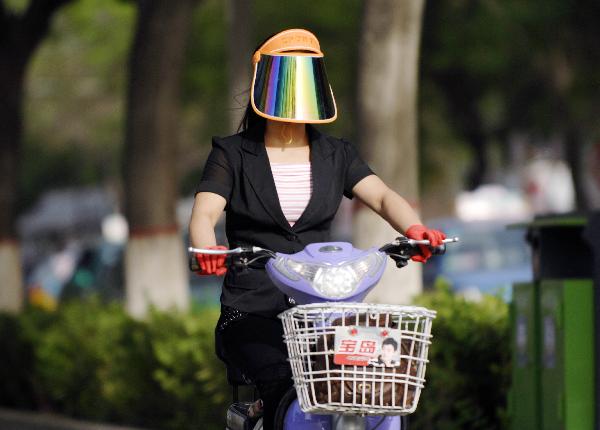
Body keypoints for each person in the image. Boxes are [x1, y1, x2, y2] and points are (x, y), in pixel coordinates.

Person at [189, 28, 446, 430]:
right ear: (265, 83)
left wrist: (415, 229)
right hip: (254, 305)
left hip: (324, 306)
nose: (296, 93)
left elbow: (380, 197)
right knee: (279, 380)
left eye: (307, 79)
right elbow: (205, 214)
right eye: (287, 79)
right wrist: (208, 250)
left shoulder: (336, 153)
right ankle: (264, 415)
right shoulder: (232, 153)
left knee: (376, 386)